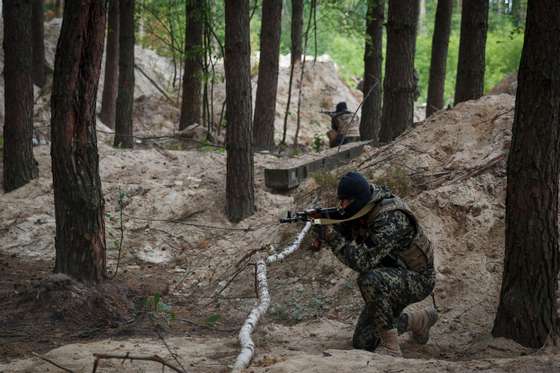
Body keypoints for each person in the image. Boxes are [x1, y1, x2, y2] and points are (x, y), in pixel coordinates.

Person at [319, 171, 437, 356]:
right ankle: (418, 320)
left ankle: (391, 348)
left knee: (368, 279)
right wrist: (328, 225)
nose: (341, 206)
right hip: (393, 275)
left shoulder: (390, 219)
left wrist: (332, 237)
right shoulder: (367, 204)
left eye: (345, 201)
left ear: (357, 201)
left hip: (419, 279)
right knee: (363, 341)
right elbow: (352, 231)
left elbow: (363, 262)